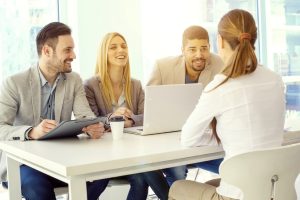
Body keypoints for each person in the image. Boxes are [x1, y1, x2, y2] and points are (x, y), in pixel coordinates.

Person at [169, 9, 285, 200]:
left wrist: (221, 136)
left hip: (239, 195)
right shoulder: (275, 79)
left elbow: (188, 139)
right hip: (274, 189)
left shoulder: (221, 86)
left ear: (220, 41)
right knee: (208, 186)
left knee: (177, 187)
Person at [0, 22, 109, 200]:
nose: (73, 55)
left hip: (62, 159)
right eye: (67, 50)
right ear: (47, 51)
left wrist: (93, 127)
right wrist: (32, 132)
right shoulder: (13, 83)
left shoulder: (73, 80)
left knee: (102, 173)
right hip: (25, 164)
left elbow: (86, 117)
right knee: (36, 187)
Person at [147, 25, 224, 186]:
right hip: (170, 139)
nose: (199, 55)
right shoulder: (162, 67)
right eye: (192, 49)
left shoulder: (220, 65)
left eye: (204, 48)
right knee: (177, 171)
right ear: (182, 50)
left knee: (229, 165)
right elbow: (148, 106)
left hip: (204, 139)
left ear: (210, 47)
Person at [84, 32, 151, 200]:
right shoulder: (90, 85)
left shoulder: (135, 85)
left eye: (124, 46)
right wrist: (113, 118)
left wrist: (129, 121)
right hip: (103, 155)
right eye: (113, 47)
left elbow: (147, 117)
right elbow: (89, 122)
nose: (120, 50)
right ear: (103, 54)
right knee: (99, 179)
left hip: (132, 153)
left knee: (142, 178)